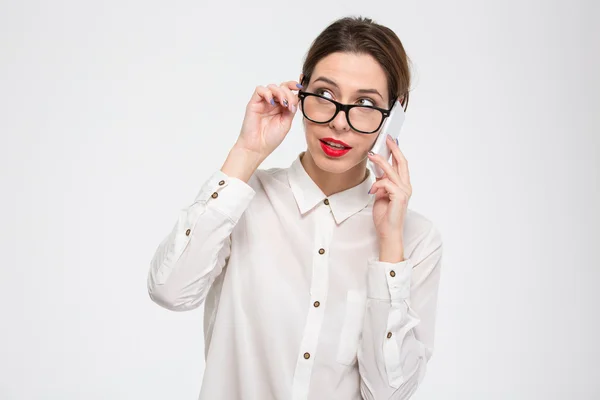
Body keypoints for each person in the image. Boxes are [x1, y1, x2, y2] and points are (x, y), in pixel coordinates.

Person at [147, 15, 444, 400]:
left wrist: (389, 249)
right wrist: (246, 153)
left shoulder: (415, 241)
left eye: (366, 104)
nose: (339, 122)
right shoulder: (240, 200)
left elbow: (388, 391)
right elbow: (170, 291)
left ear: (394, 117)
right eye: (324, 94)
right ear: (300, 92)